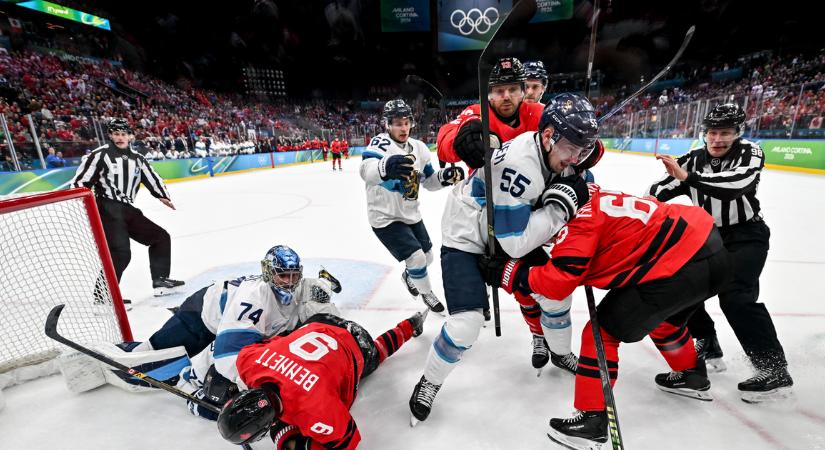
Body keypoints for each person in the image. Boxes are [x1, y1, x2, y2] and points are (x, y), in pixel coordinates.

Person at [479, 186, 730, 448]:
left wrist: (510, 274)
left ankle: (591, 422)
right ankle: (691, 374)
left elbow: (559, 281)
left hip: (678, 266)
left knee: (601, 333)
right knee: (665, 321)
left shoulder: (575, 225)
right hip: (709, 249)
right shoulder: (589, 193)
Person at [408, 91, 602, 425]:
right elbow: (516, 243)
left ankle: (559, 352)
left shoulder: (553, 148)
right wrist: (562, 205)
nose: (575, 158)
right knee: (467, 324)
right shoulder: (522, 166)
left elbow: (578, 168)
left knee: (555, 290)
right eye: (571, 148)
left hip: (503, 226)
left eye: (581, 150)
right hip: (467, 238)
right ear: (548, 136)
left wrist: (581, 164)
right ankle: (429, 380)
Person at [648, 103, 793, 402]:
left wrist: (689, 179)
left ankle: (774, 368)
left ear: (738, 134)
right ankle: (706, 342)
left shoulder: (750, 152)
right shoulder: (693, 158)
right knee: (681, 285)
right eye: (712, 133)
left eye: (725, 133)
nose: (717, 139)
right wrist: (643, 205)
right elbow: (660, 189)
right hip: (709, 237)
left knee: (736, 296)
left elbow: (736, 184)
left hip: (747, 235)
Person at [109, 245, 345, 420]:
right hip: (201, 316)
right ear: (268, 273)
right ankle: (112, 352)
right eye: (283, 275)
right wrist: (258, 384)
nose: (289, 282)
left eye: (294, 275)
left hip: (241, 326)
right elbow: (226, 356)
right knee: (149, 361)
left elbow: (324, 306)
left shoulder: (306, 288)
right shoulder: (254, 300)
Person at [216, 310, 427, 449]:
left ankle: (408, 326)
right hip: (318, 320)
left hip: (355, 340)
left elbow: (349, 439)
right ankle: (412, 322)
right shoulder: (247, 363)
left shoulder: (314, 412)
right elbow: (266, 343)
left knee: (375, 355)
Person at [360, 99, 465, 315]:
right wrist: (385, 166)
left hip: (410, 213)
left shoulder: (419, 147)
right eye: (398, 123)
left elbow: (428, 181)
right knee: (417, 257)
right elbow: (366, 171)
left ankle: (410, 276)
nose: (403, 127)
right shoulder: (380, 144)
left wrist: (445, 177)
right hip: (385, 217)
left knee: (428, 257)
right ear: (387, 124)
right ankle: (426, 292)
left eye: (406, 122)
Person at [70, 118, 184, 295]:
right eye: (116, 134)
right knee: (121, 253)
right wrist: (83, 201)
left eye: (123, 134)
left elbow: (151, 176)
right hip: (107, 207)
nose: (120, 137)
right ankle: (103, 297)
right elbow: (81, 181)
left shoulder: (138, 159)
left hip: (127, 209)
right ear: (110, 135)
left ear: (130, 136)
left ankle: (160, 281)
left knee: (160, 238)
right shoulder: (100, 154)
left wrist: (162, 195)